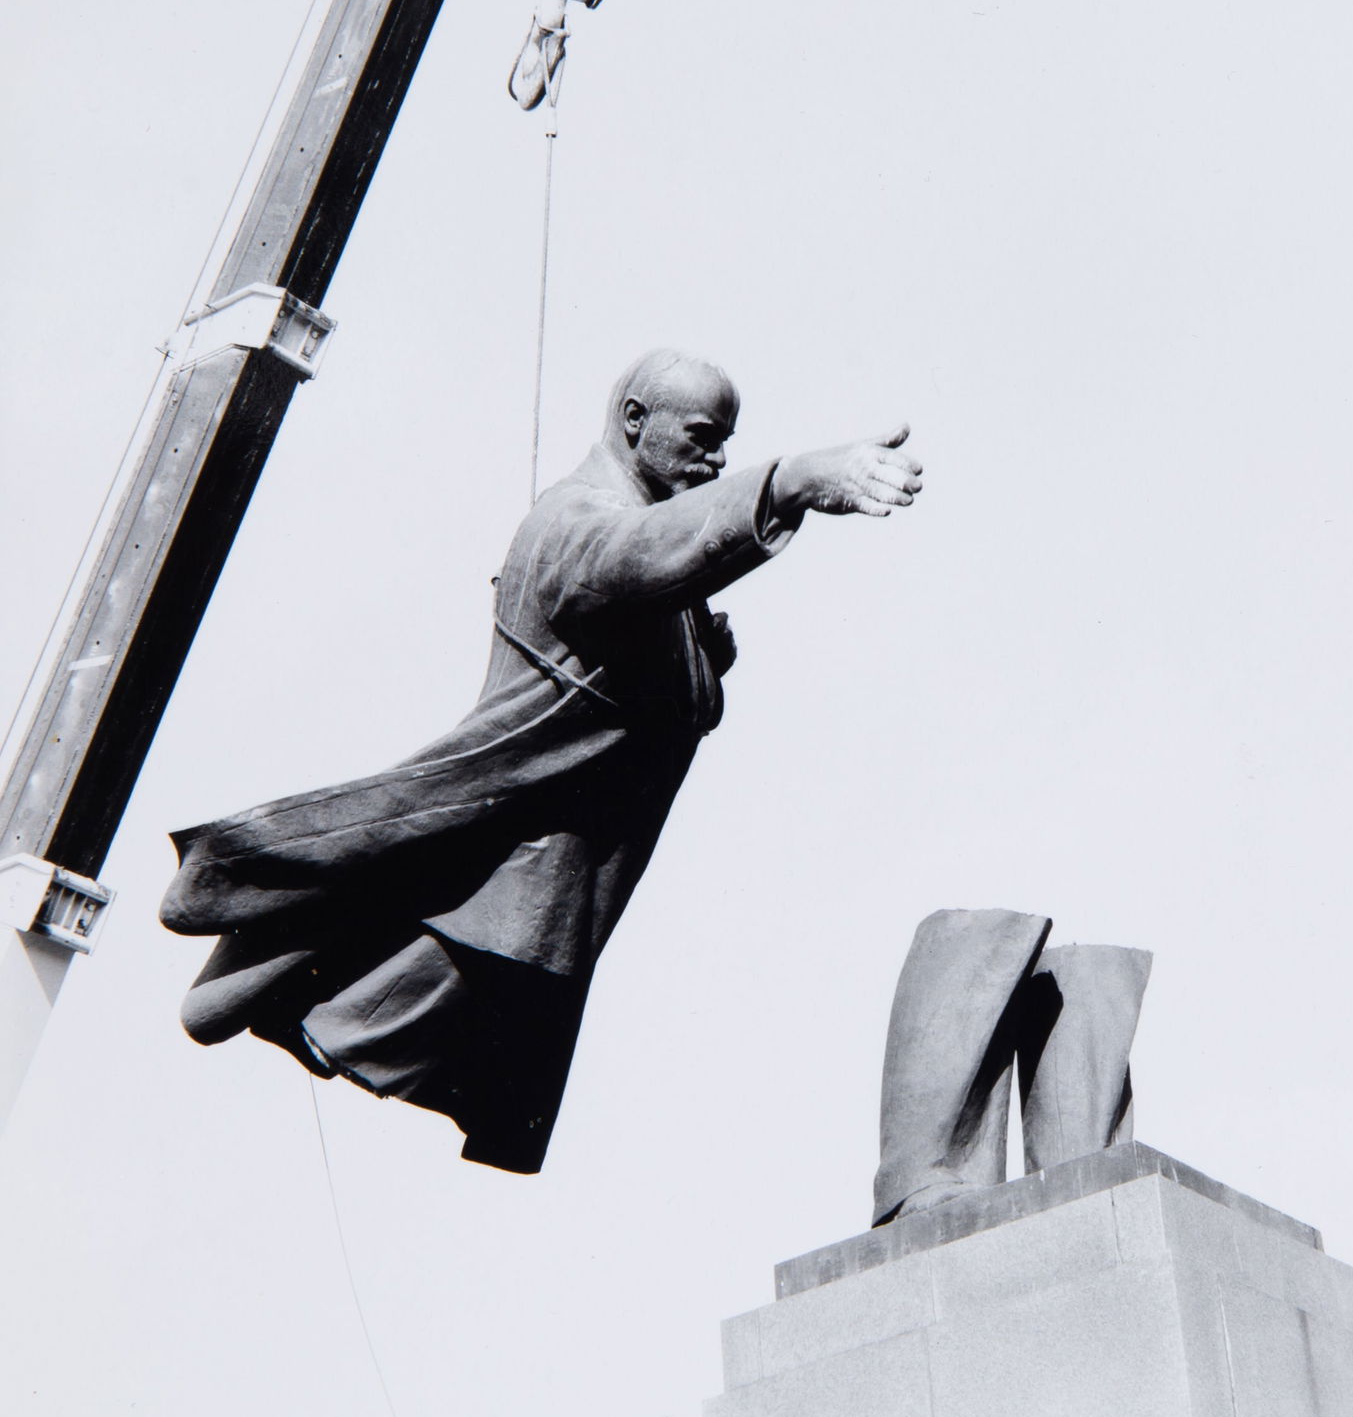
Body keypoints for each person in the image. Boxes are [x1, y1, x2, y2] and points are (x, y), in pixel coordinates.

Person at [161, 351, 921, 1174]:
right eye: (703, 439)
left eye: (729, 446)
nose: (717, 462)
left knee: (440, 1031)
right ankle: (251, 980)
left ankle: (268, 983)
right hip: (497, 889)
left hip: (549, 898)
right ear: (635, 422)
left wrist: (701, 666)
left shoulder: (627, 523)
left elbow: (634, 654)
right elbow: (635, 557)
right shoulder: (575, 521)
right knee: (353, 1003)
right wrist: (792, 481)